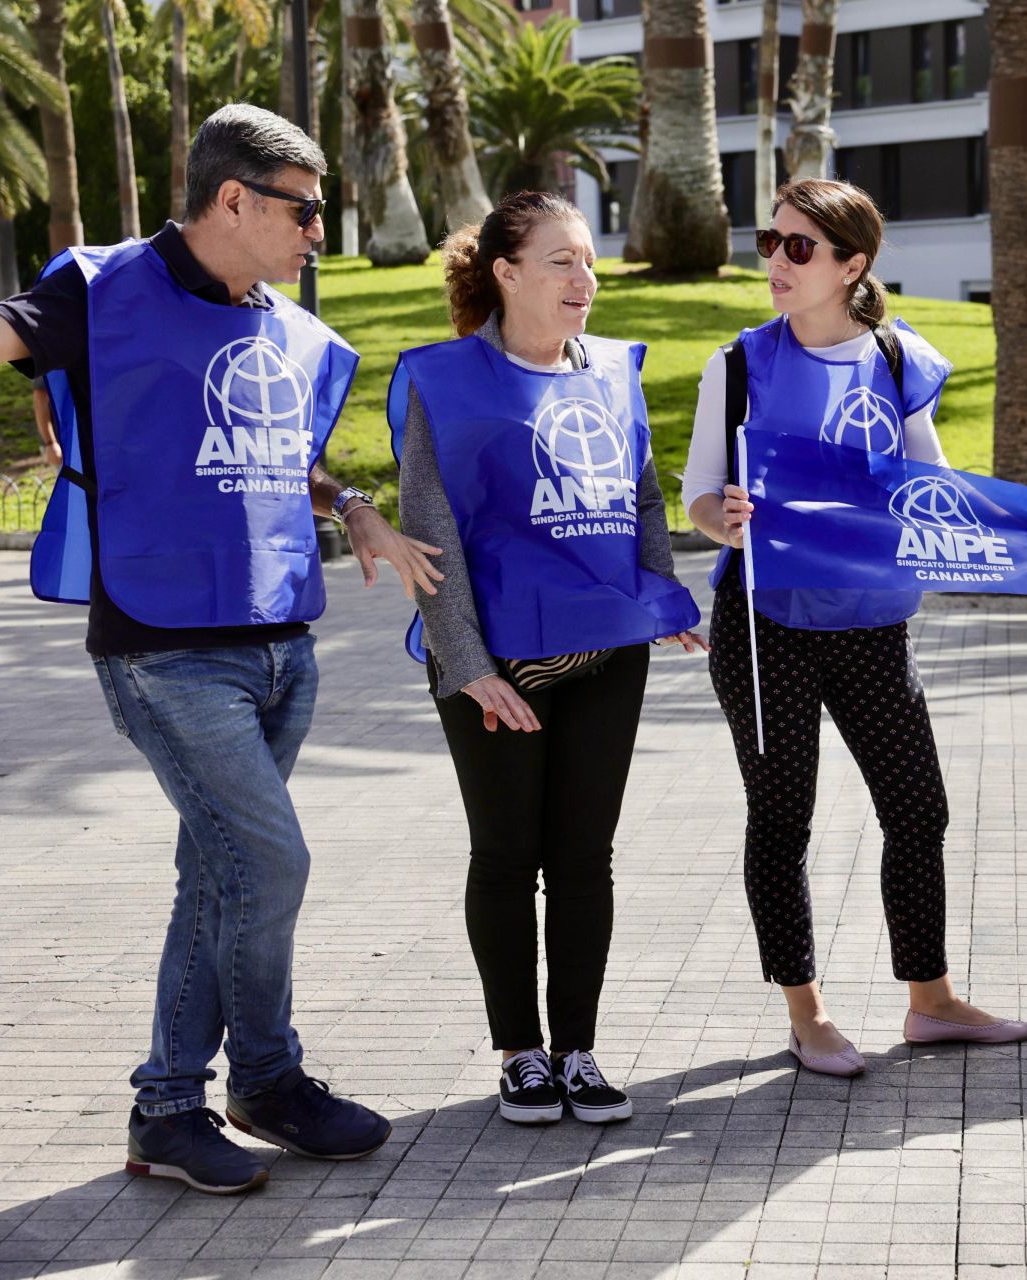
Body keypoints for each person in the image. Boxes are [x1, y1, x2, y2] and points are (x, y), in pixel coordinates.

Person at [0, 104, 435, 1194]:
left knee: (218, 875)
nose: (320, 231)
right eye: (306, 210)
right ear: (235, 199)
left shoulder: (283, 327)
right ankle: (213, 1087)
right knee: (270, 861)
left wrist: (353, 504)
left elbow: (275, 449)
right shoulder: (104, 288)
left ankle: (220, 1097)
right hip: (164, 649)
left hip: (282, 644)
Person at [682, 178, 1027, 1076]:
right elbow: (694, 499)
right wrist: (725, 518)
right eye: (771, 241)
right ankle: (808, 1017)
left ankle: (932, 1001)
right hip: (767, 624)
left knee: (918, 807)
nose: (776, 262)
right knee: (784, 818)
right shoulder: (739, 364)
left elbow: (933, 484)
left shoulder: (899, 361)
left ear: (853, 264)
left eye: (800, 247)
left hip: (874, 621)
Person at [391, 191, 704, 1125]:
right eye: (563, 260)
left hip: (608, 652)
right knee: (506, 855)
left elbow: (642, 500)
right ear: (508, 273)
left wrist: (661, 599)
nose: (585, 279)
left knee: (584, 858)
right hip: (491, 664)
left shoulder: (614, 370)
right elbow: (428, 534)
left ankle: (578, 1049)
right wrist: (469, 665)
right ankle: (519, 1053)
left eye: (590, 260)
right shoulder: (442, 382)